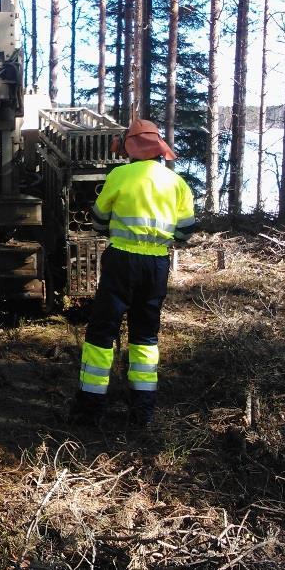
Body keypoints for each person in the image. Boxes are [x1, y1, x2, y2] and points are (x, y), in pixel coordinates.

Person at [73, 117, 198, 429]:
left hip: (121, 262)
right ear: (159, 150)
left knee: (102, 331)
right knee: (145, 334)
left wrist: (112, 230)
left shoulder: (120, 175)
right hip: (156, 265)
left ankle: (90, 408)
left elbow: (99, 219)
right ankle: (142, 411)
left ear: (129, 149)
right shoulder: (177, 183)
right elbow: (185, 232)